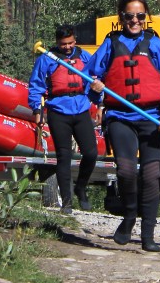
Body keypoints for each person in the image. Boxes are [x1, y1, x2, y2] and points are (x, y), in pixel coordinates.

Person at [85, 0, 160, 252]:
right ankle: (130, 216)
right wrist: (96, 88)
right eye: (129, 16)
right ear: (122, 17)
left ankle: (148, 235)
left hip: (152, 117)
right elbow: (90, 77)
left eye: (140, 16)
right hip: (120, 117)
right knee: (126, 171)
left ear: (146, 18)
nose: (135, 21)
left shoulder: (156, 45)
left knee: (152, 176)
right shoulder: (110, 44)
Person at [28, 24, 98, 214]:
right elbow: (36, 86)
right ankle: (66, 202)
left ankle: (81, 187)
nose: (67, 47)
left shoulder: (84, 57)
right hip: (58, 110)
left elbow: (97, 77)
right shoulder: (46, 59)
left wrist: (100, 100)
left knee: (91, 153)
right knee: (64, 156)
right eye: (63, 44)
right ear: (57, 42)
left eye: (70, 43)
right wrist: (37, 109)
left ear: (75, 40)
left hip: (81, 108)